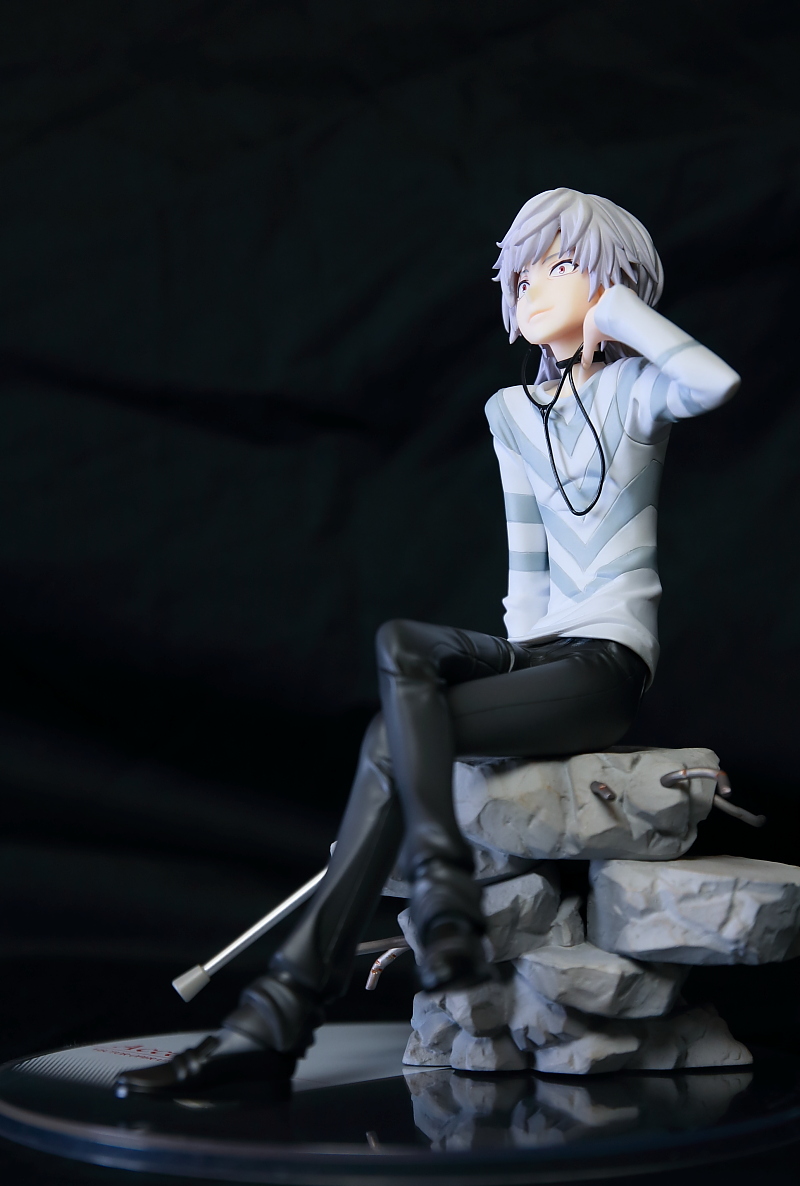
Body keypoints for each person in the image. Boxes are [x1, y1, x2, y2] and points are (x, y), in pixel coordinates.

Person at [117, 188, 740, 1094]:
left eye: (562, 266)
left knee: (387, 736)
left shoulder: (639, 392)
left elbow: (713, 382)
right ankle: (436, 895)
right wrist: (513, 664)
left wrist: (623, 313)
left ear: (611, 282)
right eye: (521, 273)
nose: (533, 287)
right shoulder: (511, 411)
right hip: (538, 650)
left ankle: (279, 1016)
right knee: (401, 642)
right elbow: (526, 570)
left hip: (603, 664)